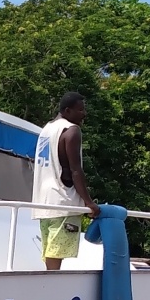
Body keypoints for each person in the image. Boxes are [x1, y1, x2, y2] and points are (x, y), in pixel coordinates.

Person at [31, 92, 100, 270]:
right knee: (56, 252)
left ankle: (49, 284)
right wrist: (89, 202)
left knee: (49, 251)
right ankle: (52, 289)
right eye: (80, 110)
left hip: (43, 201)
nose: (84, 114)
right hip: (63, 199)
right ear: (67, 110)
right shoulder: (71, 130)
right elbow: (75, 170)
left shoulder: (46, 130)